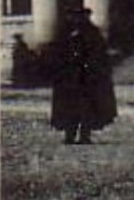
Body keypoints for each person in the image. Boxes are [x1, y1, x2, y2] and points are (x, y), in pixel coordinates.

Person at [49, 8, 116, 146]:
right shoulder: (65, 34)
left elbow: (100, 56)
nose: (77, 20)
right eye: (75, 16)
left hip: (87, 81)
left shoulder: (92, 34)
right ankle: (70, 135)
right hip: (69, 81)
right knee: (69, 109)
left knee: (87, 109)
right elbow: (56, 55)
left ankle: (85, 135)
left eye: (81, 17)